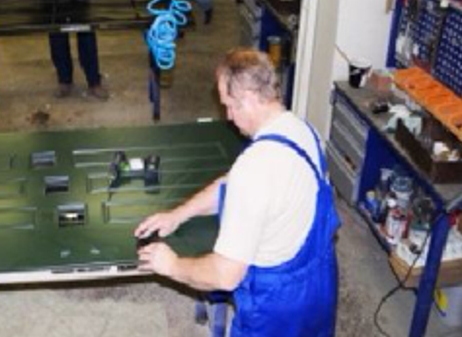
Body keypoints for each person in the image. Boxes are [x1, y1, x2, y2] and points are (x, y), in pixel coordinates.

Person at [135, 48, 340, 337]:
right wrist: (178, 215)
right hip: (319, 287)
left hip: (275, 309)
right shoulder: (303, 131)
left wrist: (172, 265)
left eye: (229, 106)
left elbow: (224, 275)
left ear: (249, 98)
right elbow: (230, 185)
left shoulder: (254, 169)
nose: (229, 117)